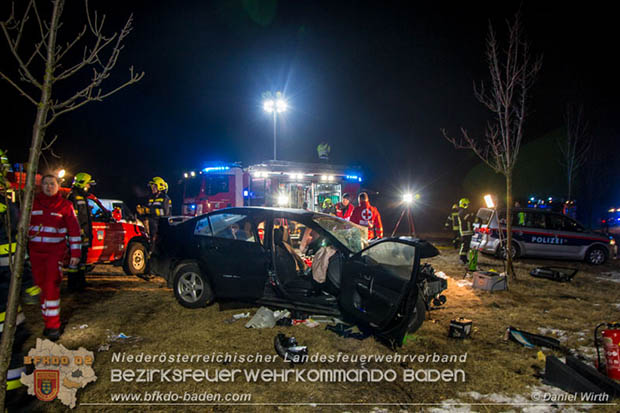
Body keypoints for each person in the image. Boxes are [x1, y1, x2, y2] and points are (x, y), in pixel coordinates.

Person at [28, 174, 81, 341]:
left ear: (58, 186)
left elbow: (74, 231)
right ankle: (48, 321)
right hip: (35, 254)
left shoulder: (65, 206)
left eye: (52, 184)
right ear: (40, 186)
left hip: (54, 254)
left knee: (51, 286)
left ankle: (53, 327)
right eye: (45, 184)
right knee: (40, 287)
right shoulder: (32, 203)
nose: (49, 187)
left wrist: (76, 254)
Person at [66, 172, 96, 292]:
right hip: (77, 234)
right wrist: (80, 231)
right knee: (75, 260)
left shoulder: (82, 197)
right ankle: (72, 284)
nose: (89, 186)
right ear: (83, 183)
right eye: (88, 184)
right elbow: (73, 218)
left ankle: (81, 281)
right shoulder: (73, 197)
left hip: (84, 234)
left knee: (83, 259)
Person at [138, 177, 171, 248]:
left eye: (154, 186)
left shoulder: (165, 198)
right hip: (151, 224)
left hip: (160, 225)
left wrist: (149, 211)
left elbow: (164, 213)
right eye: (152, 186)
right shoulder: (151, 198)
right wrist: (142, 211)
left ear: (160, 186)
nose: (152, 188)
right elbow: (148, 210)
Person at [457, 197, 474, 265]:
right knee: (464, 245)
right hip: (465, 231)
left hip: (468, 230)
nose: (468, 205)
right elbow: (466, 219)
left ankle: (464, 258)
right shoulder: (461, 212)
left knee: (466, 246)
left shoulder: (464, 211)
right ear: (463, 204)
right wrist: (470, 215)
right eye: (467, 204)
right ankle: (461, 258)